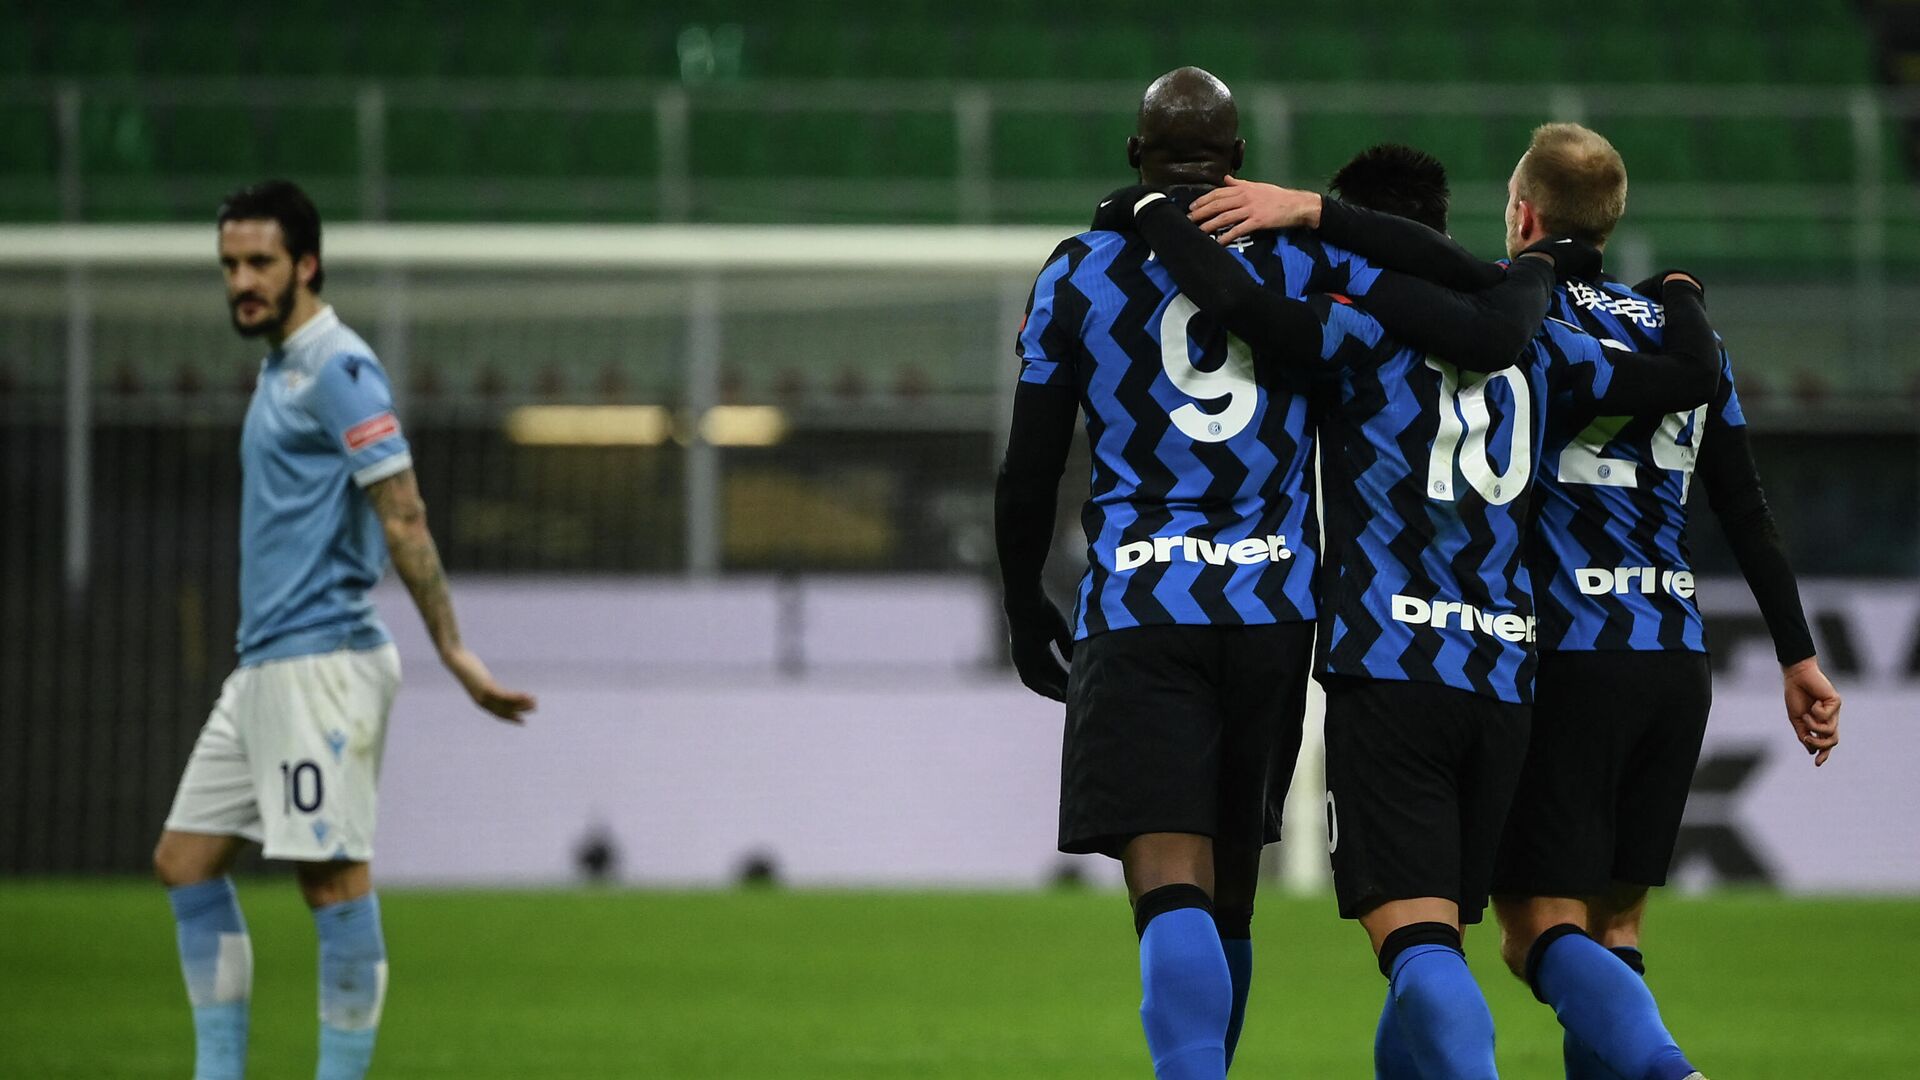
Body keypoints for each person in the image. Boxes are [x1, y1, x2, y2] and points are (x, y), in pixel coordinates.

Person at [1185, 124, 1840, 1080]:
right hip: (1606, 656)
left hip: (1490, 654)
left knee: (1485, 935)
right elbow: (1733, 481)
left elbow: (1271, 315)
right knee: (1598, 927)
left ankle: (1666, 1071)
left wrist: (1202, 218)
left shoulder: (1458, 322)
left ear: (1522, 214)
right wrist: (1797, 652)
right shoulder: (1607, 335)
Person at [996, 68, 1564, 1080]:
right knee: (1232, 898)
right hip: (1271, 611)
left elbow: (1030, 465)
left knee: (1170, 885)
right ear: (1240, 162)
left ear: (1136, 157)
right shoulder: (1310, 268)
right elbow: (1440, 290)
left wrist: (1018, 599)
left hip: (1140, 602)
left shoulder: (1077, 271)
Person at [152, 180, 535, 1080]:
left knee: (331, 886)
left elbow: (402, 514)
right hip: (264, 667)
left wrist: (453, 649)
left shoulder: (338, 367)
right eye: (230, 266)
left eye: (260, 263)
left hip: (323, 661)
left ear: (307, 265)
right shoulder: (279, 363)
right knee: (184, 860)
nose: (241, 281)